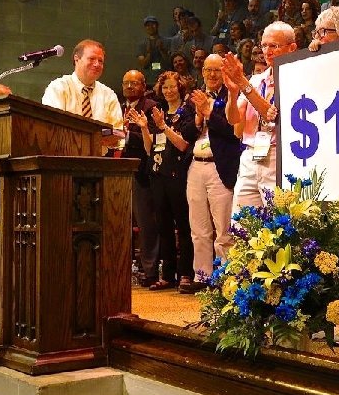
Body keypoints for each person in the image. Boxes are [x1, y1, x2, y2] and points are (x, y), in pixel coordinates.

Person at [127, 71, 194, 291]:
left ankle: (185, 273)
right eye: (165, 87)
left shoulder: (186, 112)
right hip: (157, 173)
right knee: (163, 226)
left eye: (172, 86)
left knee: (182, 226)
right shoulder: (159, 112)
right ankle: (167, 275)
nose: (168, 91)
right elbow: (149, 149)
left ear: (180, 87)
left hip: (177, 174)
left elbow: (183, 145)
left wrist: (164, 127)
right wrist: (146, 127)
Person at [181, 54, 242, 291]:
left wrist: (209, 113)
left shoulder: (232, 94)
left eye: (217, 70)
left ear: (224, 72)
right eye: (208, 70)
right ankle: (202, 276)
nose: (212, 75)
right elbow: (185, 133)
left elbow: (232, 131)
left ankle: (228, 278)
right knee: (198, 227)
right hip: (196, 165)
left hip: (220, 165)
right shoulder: (194, 97)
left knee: (224, 227)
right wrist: (198, 115)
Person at [223, 21, 297, 210]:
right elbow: (234, 122)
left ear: (292, 47)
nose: (267, 51)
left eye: (274, 46)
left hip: (278, 154)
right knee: (242, 223)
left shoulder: (296, 76)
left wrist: (241, 81)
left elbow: (271, 114)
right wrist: (232, 92)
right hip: (250, 154)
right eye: (264, 45)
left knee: (277, 220)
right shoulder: (256, 80)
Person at [120, 70, 161, 288]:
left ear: (143, 85)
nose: (129, 86)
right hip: (117, 170)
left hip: (142, 172)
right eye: (126, 83)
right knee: (118, 222)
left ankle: (150, 270)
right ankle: (121, 267)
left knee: (146, 223)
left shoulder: (151, 106)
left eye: (134, 83)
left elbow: (155, 137)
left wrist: (125, 135)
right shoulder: (117, 106)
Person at [42, 39, 123, 136]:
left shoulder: (109, 95)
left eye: (100, 61)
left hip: (99, 150)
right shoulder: (58, 88)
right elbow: (52, 127)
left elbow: (118, 134)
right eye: (92, 59)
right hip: (64, 150)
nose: (97, 64)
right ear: (77, 59)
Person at [137, 15, 172, 87]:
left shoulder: (167, 41)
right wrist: (149, 53)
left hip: (165, 81)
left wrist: (162, 50)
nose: (150, 27)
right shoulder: (142, 44)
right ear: (145, 28)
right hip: (148, 81)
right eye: (148, 25)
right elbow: (143, 64)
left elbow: (170, 63)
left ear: (157, 25)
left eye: (153, 24)